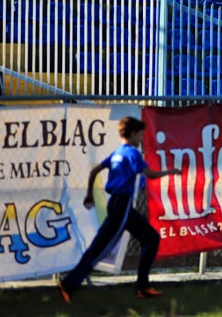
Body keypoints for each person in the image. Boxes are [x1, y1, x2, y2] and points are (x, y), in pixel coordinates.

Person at [56, 116, 181, 303]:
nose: (141, 140)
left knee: (151, 238)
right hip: (121, 206)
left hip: (120, 206)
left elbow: (95, 171)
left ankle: (143, 287)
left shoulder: (118, 152)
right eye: (140, 136)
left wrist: (90, 194)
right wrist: (171, 172)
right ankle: (69, 284)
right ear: (132, 134)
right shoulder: (132, 153)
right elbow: (150, 174)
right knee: (100, 249)